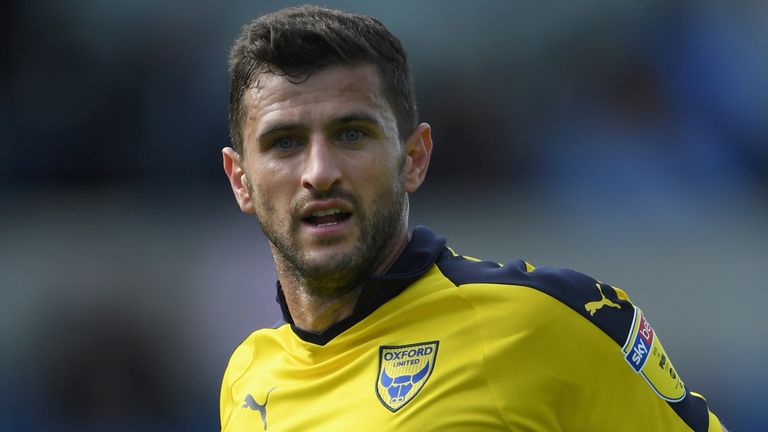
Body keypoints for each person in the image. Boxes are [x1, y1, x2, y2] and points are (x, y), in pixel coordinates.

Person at [220, 5, 726, 432]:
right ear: (241, 179)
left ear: (414, 157)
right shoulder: (247, 379)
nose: (320, 172)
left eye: (352, 134)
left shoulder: (549, 321)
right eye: (284, 142)